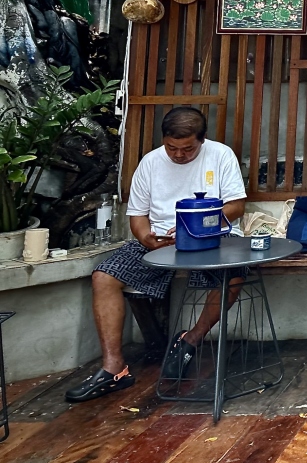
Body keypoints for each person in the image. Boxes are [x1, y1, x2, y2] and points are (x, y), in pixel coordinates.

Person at [65, 106, 247, 403]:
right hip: (161, 239)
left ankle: (190, 340)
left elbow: (236, 206)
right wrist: (145, 238)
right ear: (163, 139)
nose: (179, 155)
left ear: (202, 140)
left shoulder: (220, 155)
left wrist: (195, 224)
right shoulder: (150, 162)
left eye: (187, 149)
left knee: (235, 274)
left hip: (212, 237)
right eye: (172, 148)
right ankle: (114, 368)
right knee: (104, 275)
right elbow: (137, 215)